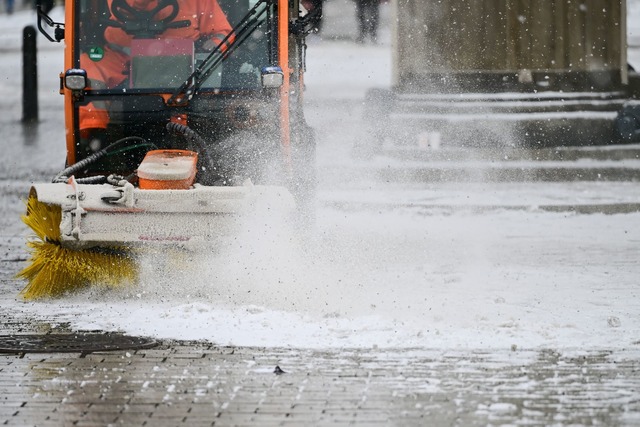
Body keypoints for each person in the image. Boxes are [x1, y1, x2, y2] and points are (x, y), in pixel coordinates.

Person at [79, 0, 233, 139]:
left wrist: (213, 46)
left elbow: (224, 32)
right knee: (88, 66)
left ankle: (179, 133)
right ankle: (94, 130)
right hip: (123, 59)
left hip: (182, 61)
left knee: (182, 80)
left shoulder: (199, 2)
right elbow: (132, 5)